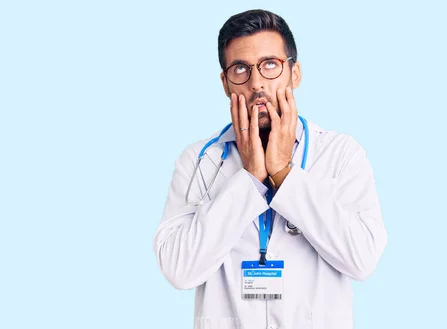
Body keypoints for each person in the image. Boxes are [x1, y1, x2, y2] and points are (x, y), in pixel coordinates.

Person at [153, 9, 387, 329]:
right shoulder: (199, 161)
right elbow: (180, 270)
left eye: (270, 65)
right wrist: (249, 180)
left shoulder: (341, 154)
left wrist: (283, 173)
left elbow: (362, 260)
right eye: (240, 69)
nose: (257, 83)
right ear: (225, 83)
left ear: (295, 73)